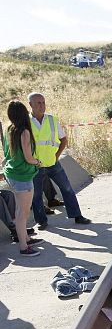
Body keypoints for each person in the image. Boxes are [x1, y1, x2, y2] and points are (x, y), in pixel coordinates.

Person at [28, 92, 91, 230]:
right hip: (35, 166)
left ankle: (77, 215)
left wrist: (56, 156)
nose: (42, 105)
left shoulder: (52, 120)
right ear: (30, 105)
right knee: (36, 195)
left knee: (67, 188)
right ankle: (41, 221)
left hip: (52, 163)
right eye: (38, 103)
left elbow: (63, 140)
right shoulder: (26, 123)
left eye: (43, 102)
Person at [2, 101, 44, 257]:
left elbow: (7, 155)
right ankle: (23, 246)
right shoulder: (24, 132)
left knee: (21, 211)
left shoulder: (9, 129)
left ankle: (26, 238)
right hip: (22, 176)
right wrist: (38, 162)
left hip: (12, 174)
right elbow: (28, 158)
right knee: (22, 213)